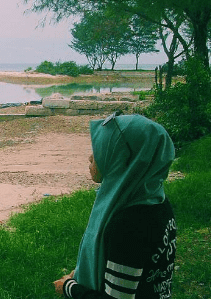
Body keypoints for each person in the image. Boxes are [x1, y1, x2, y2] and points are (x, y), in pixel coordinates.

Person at [54, 112, 177, 299]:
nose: (90, 158)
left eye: (101, 149)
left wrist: (69, 287)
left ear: (123, 158)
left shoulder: (130, 224)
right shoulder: (156, 202)